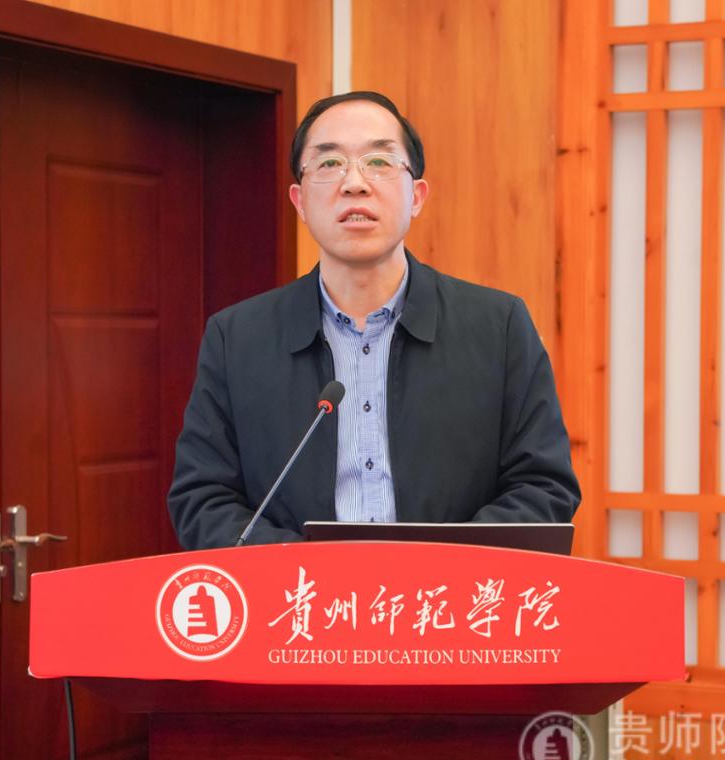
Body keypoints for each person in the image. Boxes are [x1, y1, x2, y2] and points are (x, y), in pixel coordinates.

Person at [168, 91, 579, 550]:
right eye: (329, 163)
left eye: (379, 161)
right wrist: (306, 573)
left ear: (416, 196)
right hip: (298, 593)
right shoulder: (237, 338)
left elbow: (542, 486)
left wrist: (440, 573)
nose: (354, 183)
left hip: (446, 593)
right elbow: (203, 498)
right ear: (300, 202)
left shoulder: (498, 327)